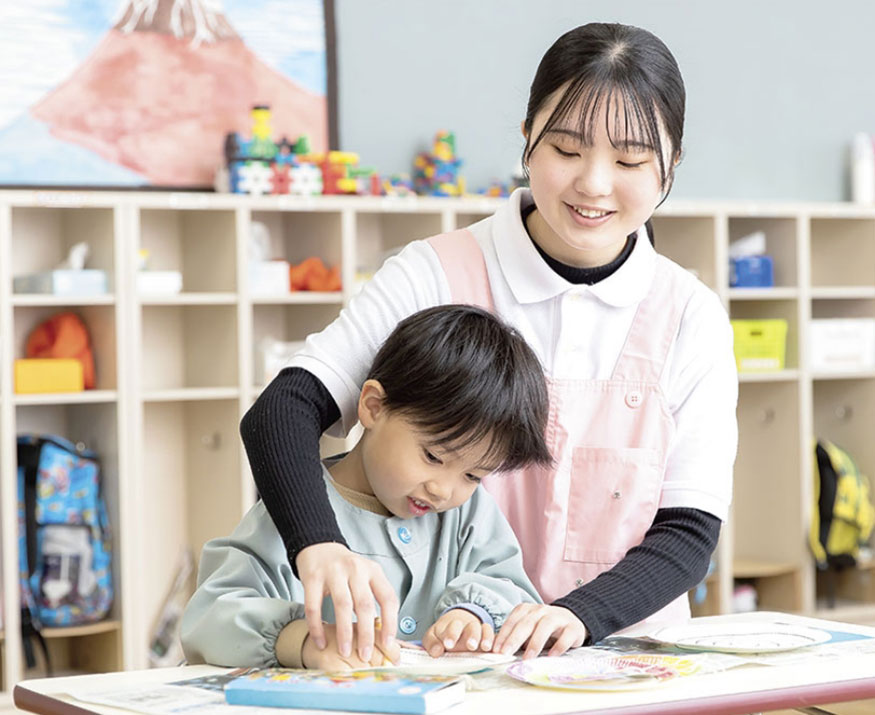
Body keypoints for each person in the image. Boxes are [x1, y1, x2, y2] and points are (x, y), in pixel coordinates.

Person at [240, 22, 738, 663]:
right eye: (566, 148)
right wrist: (319, 543)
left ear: (671, 166)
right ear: (528, 138)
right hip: (459, 666)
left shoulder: (690, 315)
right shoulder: (432, 273)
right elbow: (282, 411)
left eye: (630, 161)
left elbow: (689, 532)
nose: (594, 183)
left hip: (628, 659)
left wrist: (575, 615)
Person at [182, 305, 551, 668]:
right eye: (433, 457)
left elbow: (511, 588)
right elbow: (210, 618)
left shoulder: (469, 513)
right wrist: (303, 642)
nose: (443, 490)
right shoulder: (297, 511)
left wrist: (472, 614)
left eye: (473, 475)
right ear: (373, 406)